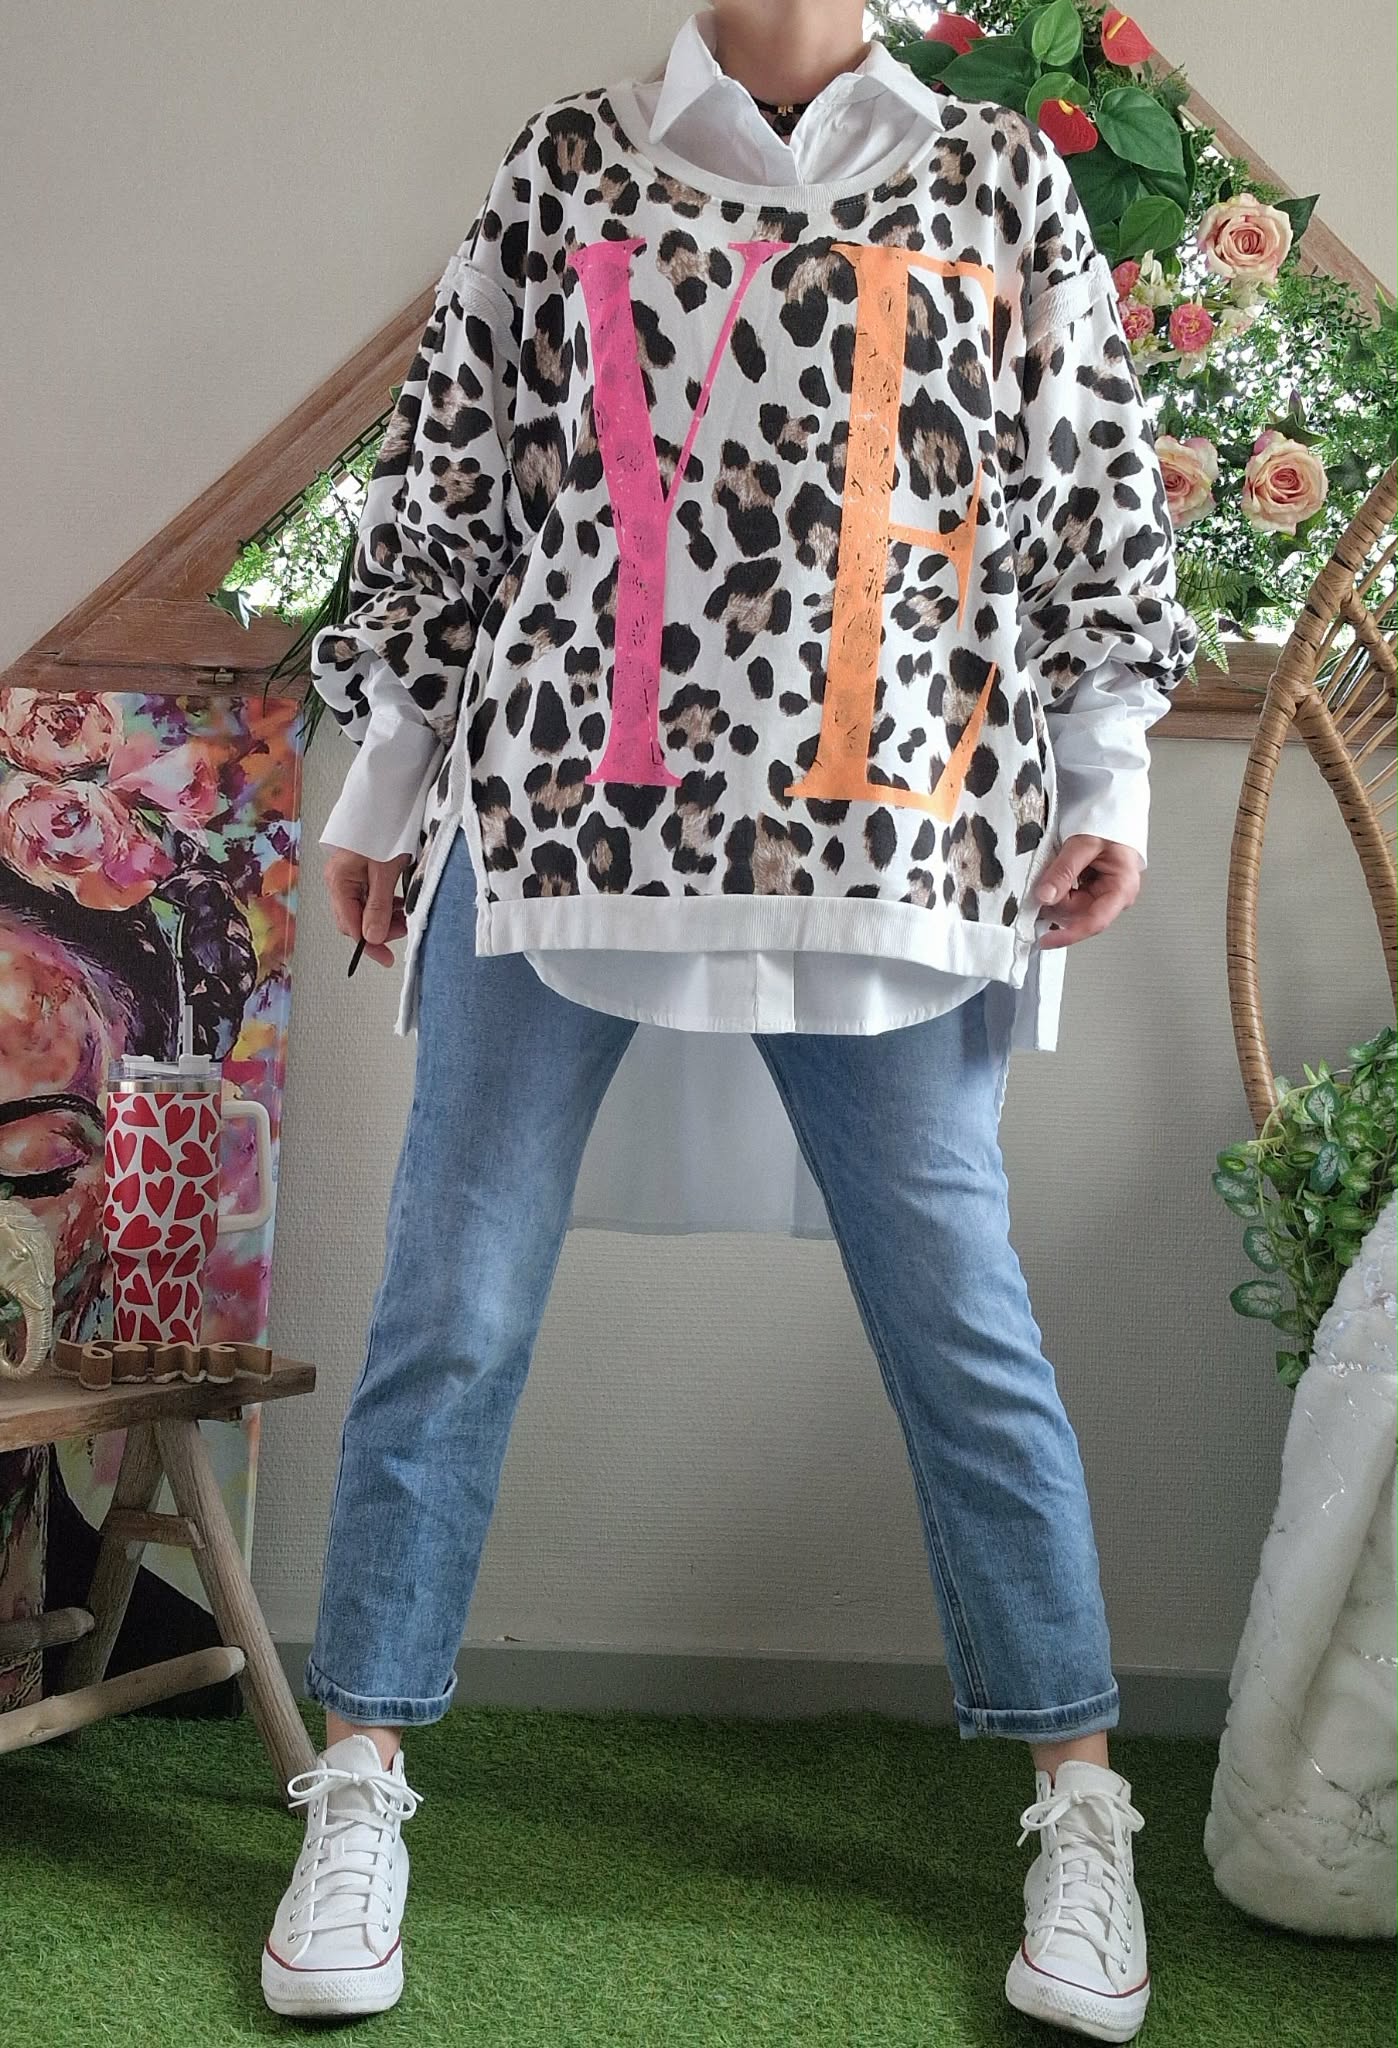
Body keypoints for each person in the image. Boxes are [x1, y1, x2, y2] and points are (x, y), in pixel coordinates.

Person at [264, 6, 1198, 2037]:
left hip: (898, 842)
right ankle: (360, 1774)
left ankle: (1080, 1800)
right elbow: (454, 483)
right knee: (450, 1311)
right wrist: (386, 784)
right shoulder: (564, 162)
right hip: (558, 827)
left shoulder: (995, 179)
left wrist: (1108, 774)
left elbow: (1085, 489)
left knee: (962, 1328)